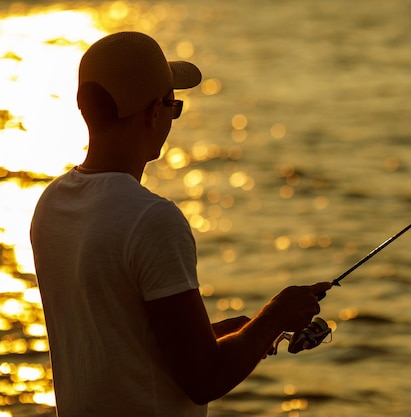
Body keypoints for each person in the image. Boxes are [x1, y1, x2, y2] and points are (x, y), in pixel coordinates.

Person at [30, 31, 331, 417]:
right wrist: (274, 317)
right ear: (154, 112)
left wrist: (231, 334)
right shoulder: (152, 219)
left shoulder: (52, 203)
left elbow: (116, 339)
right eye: (174, 105)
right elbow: (205, 378)